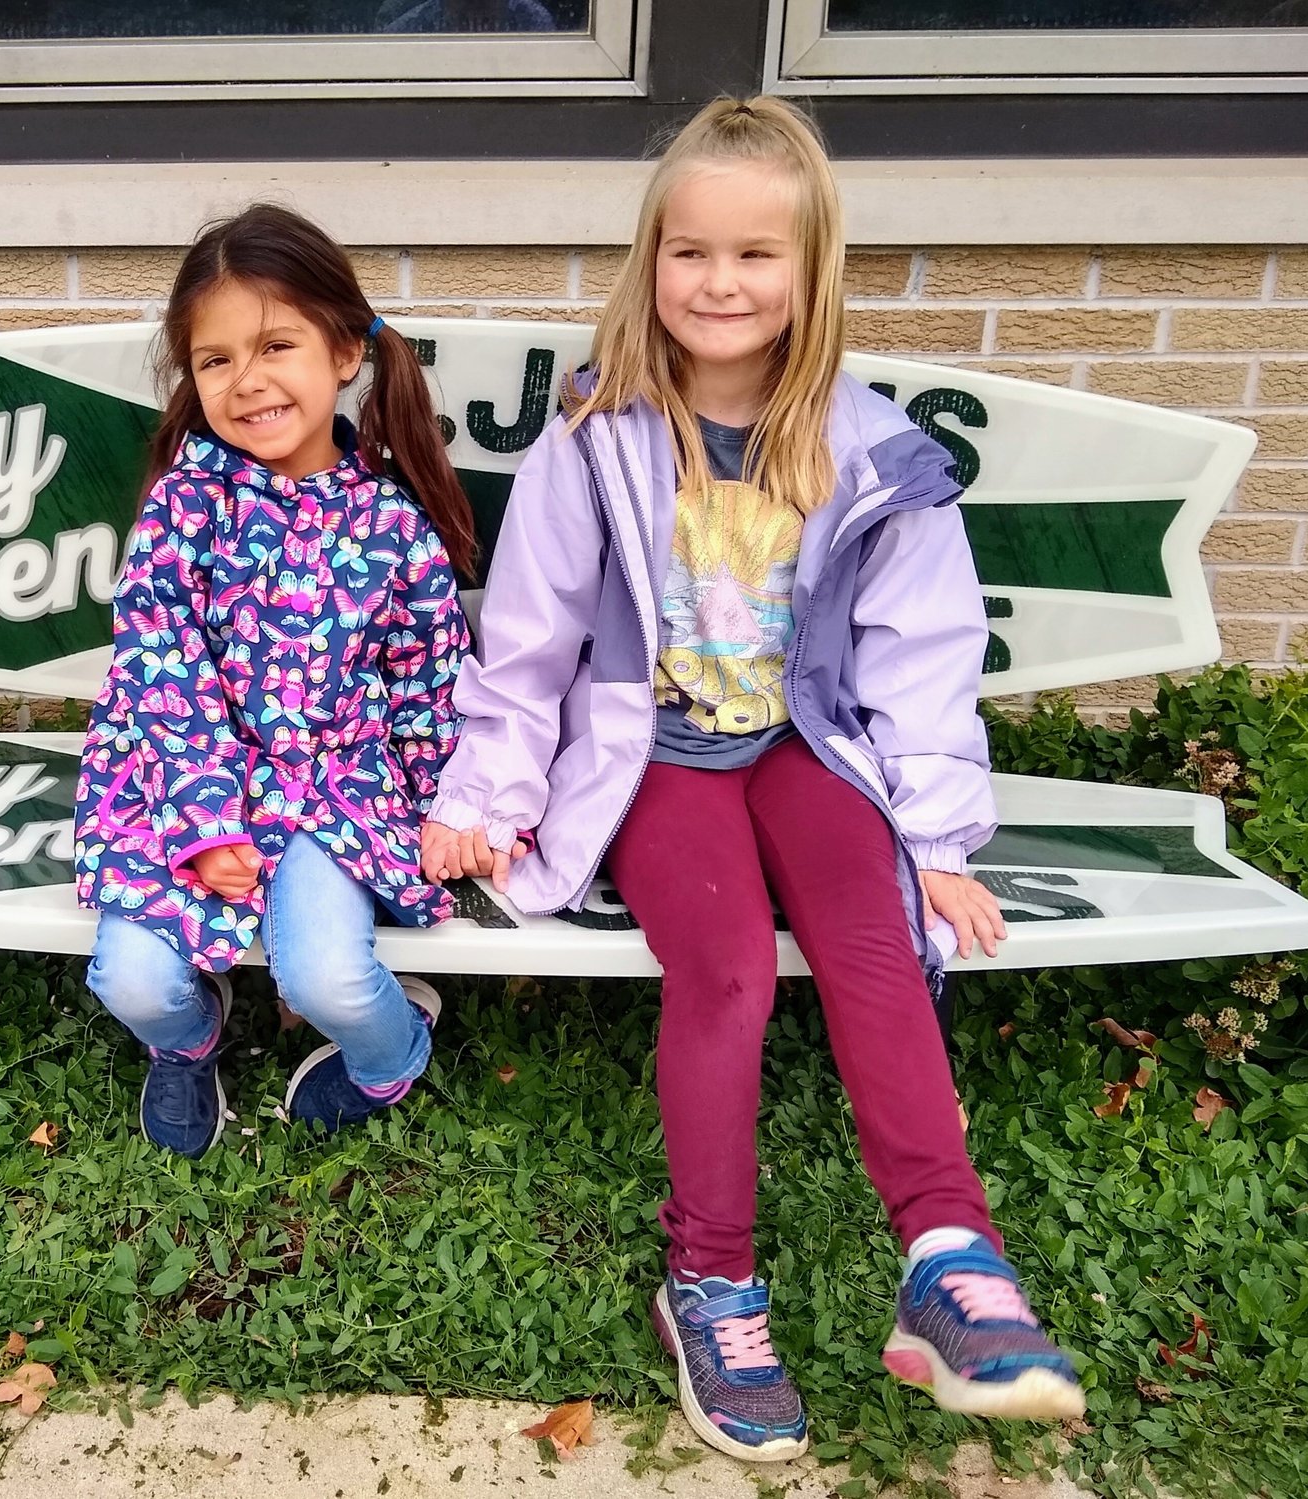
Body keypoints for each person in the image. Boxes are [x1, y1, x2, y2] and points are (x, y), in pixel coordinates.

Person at [421, 96, 1084, 1460]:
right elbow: (532, 639)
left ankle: (951, 1258)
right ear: (649, 261)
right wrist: (485, 800)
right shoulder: (595, 438)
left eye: (755, 256)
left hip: (804, 742)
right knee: (722, 962)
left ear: (810, 270)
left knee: (873, 923)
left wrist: (939, 836)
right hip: (651, 759)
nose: (720, 283)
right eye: (691, 252)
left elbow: (921, 656)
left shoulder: (869, 448)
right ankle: (708, 1279)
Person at [73, 204, 475, 1159]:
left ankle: (392, 1054)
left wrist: (449, 806)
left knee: (327, 982)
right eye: (214, 360)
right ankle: (191, 1038)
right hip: (177, 784)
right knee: (131, 981)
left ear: (343, 352)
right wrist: (207, 819)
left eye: (275, 344)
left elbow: (430, 685)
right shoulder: (185, 506)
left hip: (332, 791)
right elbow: (157, 667)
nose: (245, 380)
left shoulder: (391, 527)